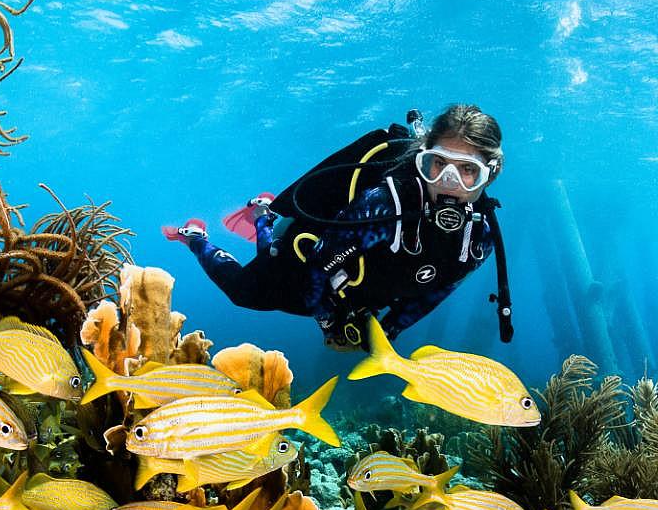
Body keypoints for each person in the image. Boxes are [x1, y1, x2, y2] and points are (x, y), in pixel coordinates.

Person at [163, 104, 511, 351]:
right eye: (438, 164)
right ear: (424, 159)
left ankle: (264, 216)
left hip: (361, 294)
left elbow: (438, 290)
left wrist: (386, 334)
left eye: (468, 170)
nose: (449, 181)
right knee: (246, 291)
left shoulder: (480, 238)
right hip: (314, 278)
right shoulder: (384, 205)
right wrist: (329, 324)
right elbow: (319, 261)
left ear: (491, 174)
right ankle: (205, 236)